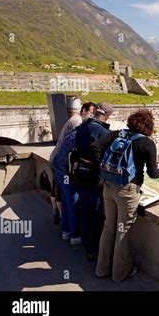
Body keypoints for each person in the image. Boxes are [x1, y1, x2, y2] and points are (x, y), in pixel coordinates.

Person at [92, 109, 159, 282]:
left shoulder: (117, 134)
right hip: (127, 191)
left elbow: (95, 147)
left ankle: (101, 269)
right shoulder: (146, 143)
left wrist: (103, 169)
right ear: (148, 126)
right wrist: (158, 171)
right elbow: (153, 173)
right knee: (122, 231)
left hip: (108, 186)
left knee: (108, 227)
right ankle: (119, 273)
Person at [71, 102, 114, 261]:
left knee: (84, 209)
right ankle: (92, 250)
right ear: (107, 116)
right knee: (97, 214)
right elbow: (104, 158)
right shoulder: (103, 132)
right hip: (94, 179)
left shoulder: (82, 127)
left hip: (79, 175)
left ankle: (84, 241)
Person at [49, 99, 96, 232]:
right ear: (84, 111)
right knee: (67, 198)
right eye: (91, 112)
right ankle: (70, 230)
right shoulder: (78, 122)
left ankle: (64, 227)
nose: (92, 115)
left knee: (61, 194)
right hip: (62, 163)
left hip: (58, 160)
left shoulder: (75, 119)